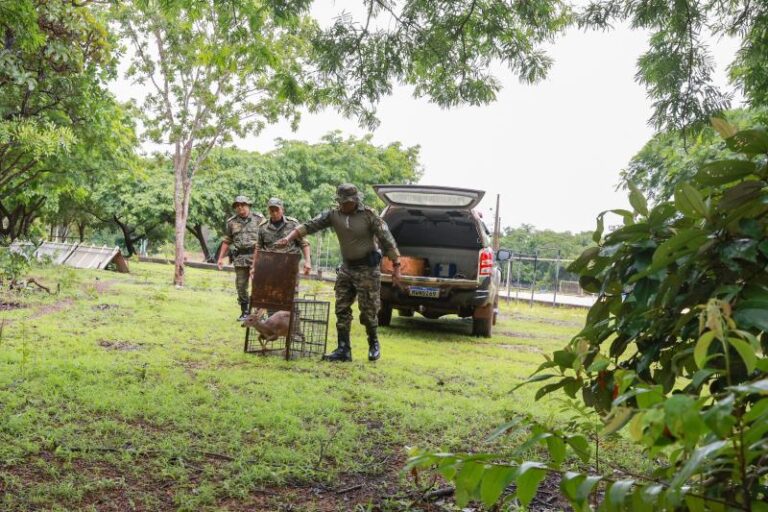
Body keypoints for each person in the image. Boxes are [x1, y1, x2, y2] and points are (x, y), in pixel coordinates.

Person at [276, 183, 402, 362]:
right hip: (346, 268)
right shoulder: (333, 214)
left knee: (368, 311)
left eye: (347, 202)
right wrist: (288, 238)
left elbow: (387, 239)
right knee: (341, 308)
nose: (344, 205)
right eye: (341, 202)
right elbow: (310, 225)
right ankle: (344, 349)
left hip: (367, 269)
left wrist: (396, 266)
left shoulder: (369, 215)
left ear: (355, 200)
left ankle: (373, 343)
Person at [217, 195, 264, 321]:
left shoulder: (259, 219)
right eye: (237, 206)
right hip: (240, 257)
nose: (240, 208)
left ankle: (259, 314)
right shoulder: (231, 222)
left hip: (257, 257)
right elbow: (227, 240)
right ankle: (245, 312)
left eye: (242, 205)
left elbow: (266, 237)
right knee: (241, 286)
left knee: (258, 285)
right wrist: (220, 258)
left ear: (249, 206)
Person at [256, 197, 312, 274]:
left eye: (277, 210)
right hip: (270, 266)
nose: (274, 213)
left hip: (290, 265)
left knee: (289, 286)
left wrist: (308, 262)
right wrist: (254, 266)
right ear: (268, 211)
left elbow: (304, 243)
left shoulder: (293, 224)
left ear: (282, 210)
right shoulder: (263, 227)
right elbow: (258, 248)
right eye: (272, 211)